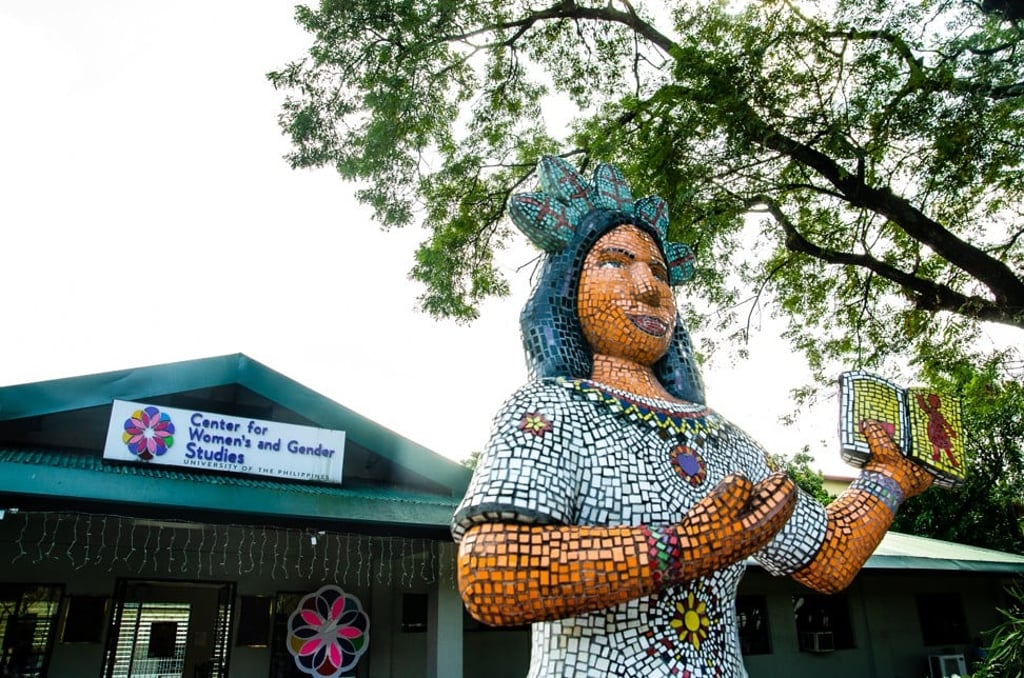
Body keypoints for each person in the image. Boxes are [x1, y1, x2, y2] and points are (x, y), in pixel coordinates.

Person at [451, 156, 935, 677]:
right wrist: (683, 547)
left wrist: (890, 477)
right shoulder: (547, 410)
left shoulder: (728, 440)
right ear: (569, 289)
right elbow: (492, 575)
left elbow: (827, 557)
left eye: (658, 270)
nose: (648, 287)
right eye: (616, 262)